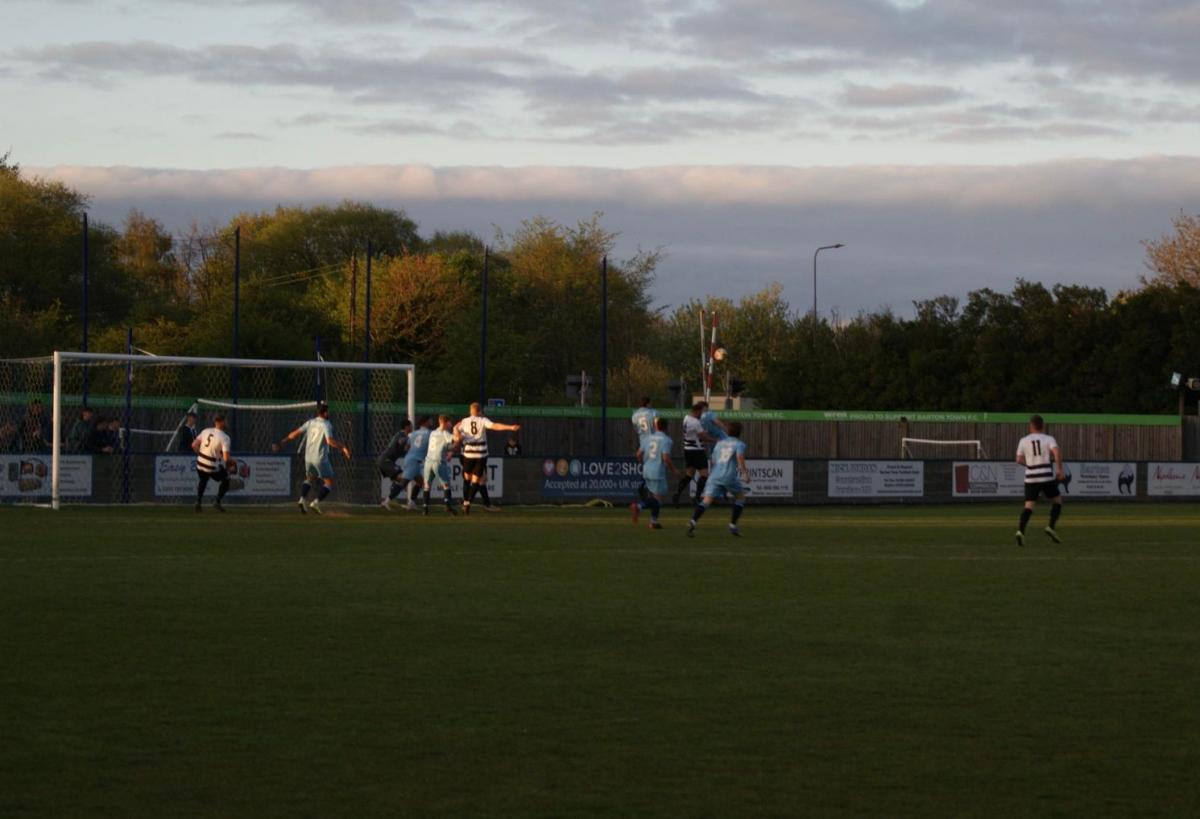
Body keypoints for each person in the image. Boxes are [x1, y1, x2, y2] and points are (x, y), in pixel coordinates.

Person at [276, 403, 352, 515]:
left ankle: (302, 499)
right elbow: (329, 441)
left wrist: (283, 441)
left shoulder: (310, 422)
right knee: (329, 482)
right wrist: (343, 447)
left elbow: (295, 434)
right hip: (319, 458)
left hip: (308, 457)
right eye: (328, 412)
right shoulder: (326, 424)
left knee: (310, 478)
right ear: (325, 413)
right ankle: (315, 503)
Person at [455, 402, 520, 514]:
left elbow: (456, 430)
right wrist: (510, 427)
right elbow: (495, 426)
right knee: (477, 480)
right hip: (480, 454)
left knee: (467, 479)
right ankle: (470, 503)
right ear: (479, 411)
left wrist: (456, 436)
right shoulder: (482, 420)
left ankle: (467, 502)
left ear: (470, 411)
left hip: (468, 454)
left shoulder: (464, 421)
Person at [687, 421, 750, 538]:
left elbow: (713, 460)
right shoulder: (739, 444)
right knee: (740, 497)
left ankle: (693, 521)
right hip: (728, 476)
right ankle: (732, 525)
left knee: (706, 501)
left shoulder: (720, 443)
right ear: (740, 432)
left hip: (715, 476)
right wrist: (745, 474)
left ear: (728, 432)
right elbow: (739, 457)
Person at [1015, 414, 1064, 546]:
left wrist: (1030, 465)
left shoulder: (1023, 440)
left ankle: (1020, 531)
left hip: (1030, 477)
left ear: (1030, 426)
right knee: (1057, 501)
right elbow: (1056, 452)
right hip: (1046, 476)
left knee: (1028, 506)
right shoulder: (1049, 438)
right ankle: (1051, 527)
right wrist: (1059, 469)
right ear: (1043, 426)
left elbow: (1018, 460)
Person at [630, 417, 680, 530]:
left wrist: (645, 463)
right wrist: (674, 470)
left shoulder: (647, 438)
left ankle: (653, 522)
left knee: (654, 497)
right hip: (657, 472)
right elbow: (665, 458)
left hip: (646, 470)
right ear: (666, 427)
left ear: (656, 426)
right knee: (657, 499)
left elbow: (638, 454)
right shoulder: (667, 440)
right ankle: (638, 507)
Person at [674, 402, 717, 507]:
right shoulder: (695, 422)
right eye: (701, 412)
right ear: (697, 411)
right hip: (697, 450)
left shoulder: (686, 418)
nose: (701, 415)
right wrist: (715, 440)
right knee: (704, 475)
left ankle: (677, 494)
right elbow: (703, 437)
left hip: (687, 450)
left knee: (689, 475)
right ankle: (697, 498)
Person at [192, 414, 235, 513]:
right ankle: (217, 502)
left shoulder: (205, 431)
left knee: (203, 479)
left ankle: (198, 502)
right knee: (226, 479)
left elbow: (193, 445)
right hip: (210, 466)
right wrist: (233, 462)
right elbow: (226, 459)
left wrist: (201, 454)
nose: (227, 423)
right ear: (222, 422)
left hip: (199, 463)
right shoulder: (225, 437)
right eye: (226, 421)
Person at [422, 415, 460, 515]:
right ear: (446, 423)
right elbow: (456, 439)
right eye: (450, 422)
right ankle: (448, 506)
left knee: (427, 485)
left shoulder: (433, 432)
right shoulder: (445, 433)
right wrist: (456, 431)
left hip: (428, 462)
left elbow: (446, 446)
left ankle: (425, 508)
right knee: (446, 485)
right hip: (438, 462)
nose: (451, 424)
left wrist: (450, 451)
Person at [377, 419, 413, 510]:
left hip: (386, 461)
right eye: (410, 426)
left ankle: (387, 501)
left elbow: (403, 449)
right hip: (385, 460)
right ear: (407, 427)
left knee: (401, 481)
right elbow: (401, 441)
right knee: (403, 478)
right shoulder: (401, 435)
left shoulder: (402, 435)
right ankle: (388, 500)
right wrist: (409, 439)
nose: (412, 428)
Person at [401, 416, 433, 511]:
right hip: (415, 461)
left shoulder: (413, 433)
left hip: (409, 459)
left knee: (421, 483)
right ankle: (388, 499)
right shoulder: (429, 433)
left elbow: (406, 447)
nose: (431, 422)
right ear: (425, 423)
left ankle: (411, 502)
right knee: (404, 482)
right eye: (429, 421)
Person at [631, 396, 658, 501]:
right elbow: (657, 427)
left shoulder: (635, 415)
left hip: (642, 443)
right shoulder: (653, 413)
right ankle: (645, 487)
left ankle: (645, 488)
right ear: (648, 404)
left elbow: (636, 429)